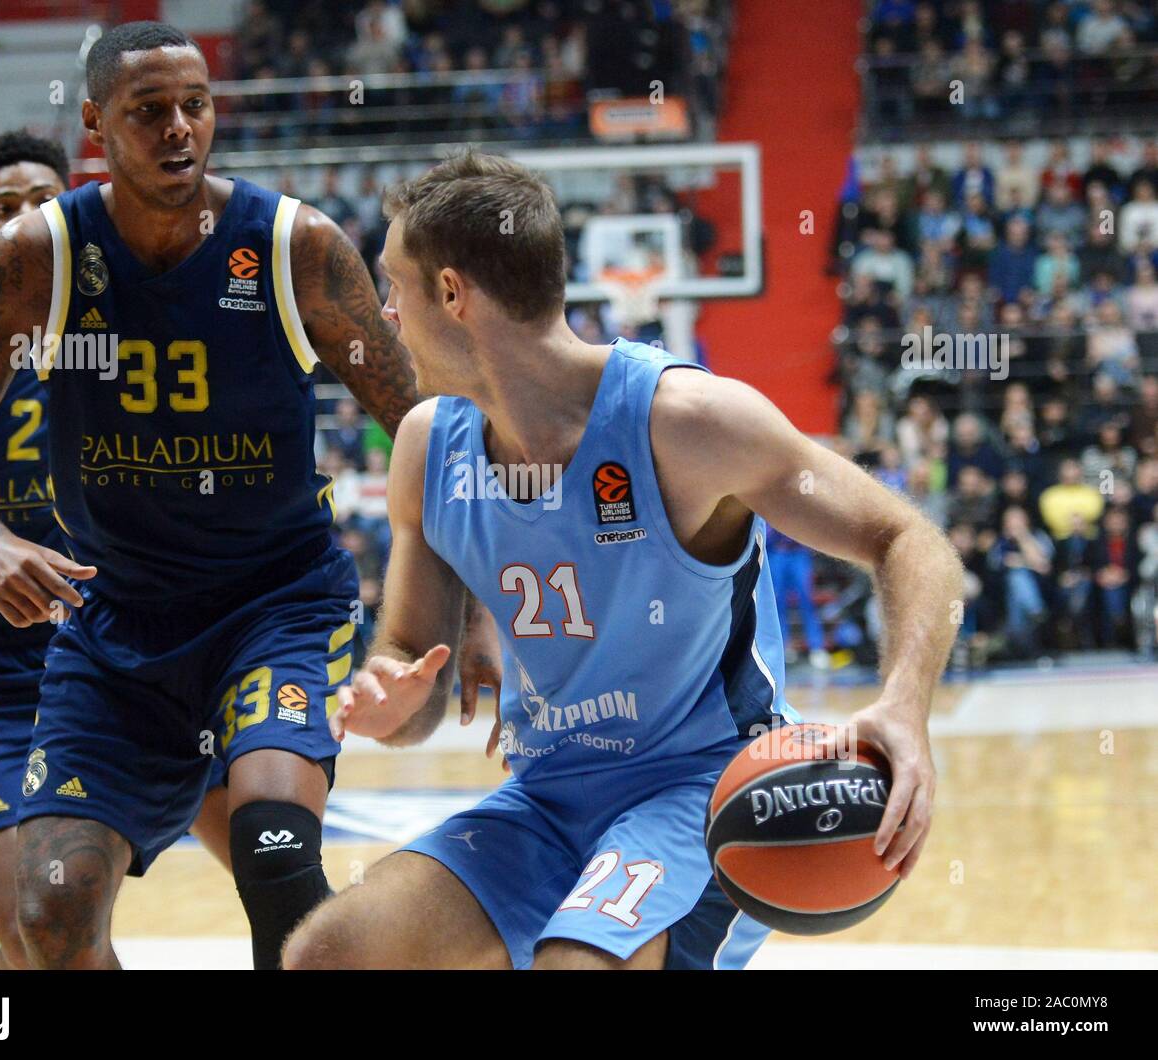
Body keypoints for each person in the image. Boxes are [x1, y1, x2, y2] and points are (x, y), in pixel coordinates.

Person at [0, 22, 498, 970]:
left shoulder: (292, 244)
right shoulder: (38, 254)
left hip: (273, 603)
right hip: (117, 620)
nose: (180, 128)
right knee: (51, 920)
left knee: (272, 845)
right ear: (96, 124)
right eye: (150, 112)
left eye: (196, 105)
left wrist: (470, 611)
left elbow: (431, 426)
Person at [282, 151, 961, 971]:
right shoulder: (427, 447)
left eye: (397, 285)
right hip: (546, 798)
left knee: (578, 965)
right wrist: (387, 698)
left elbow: (906, 536)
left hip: (700, 790)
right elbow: (410, 667)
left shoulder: (689, 422)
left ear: (454, 294)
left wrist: (903, 706)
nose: (386, 314)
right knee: (328, 953)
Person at [0, 133, 243, 970]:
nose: (28, 217)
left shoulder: (145, 322)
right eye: (6, 207)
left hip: (141, 647)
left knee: (278, 865)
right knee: (35, 941)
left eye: (44, 199)